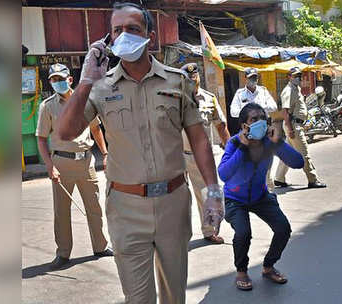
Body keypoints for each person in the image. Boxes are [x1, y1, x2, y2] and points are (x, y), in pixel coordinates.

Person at [56, 3, 224, 303]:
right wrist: (84, 82)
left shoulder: (177, 81)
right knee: (138, 298)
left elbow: (198, 138)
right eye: (117, 30)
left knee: (174, 294)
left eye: (133, 29)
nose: (124, 36)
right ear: (108, 39)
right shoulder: (99, 87)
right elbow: (65, 133)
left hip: (174, 203)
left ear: (150, 35)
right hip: (126, 208)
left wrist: (212, 190)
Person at [218, 103, 304, 291]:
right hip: (235, 199)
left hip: (260, 196)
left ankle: (268, 266)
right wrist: (243, 146)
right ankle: (241, 270)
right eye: (253, 120)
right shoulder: (234, 143)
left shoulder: (269, 142)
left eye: (262, 119)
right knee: (243, 233)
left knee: (283, 228)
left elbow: (298, 162)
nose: (260, 123)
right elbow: (223, 174)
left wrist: (278, 143)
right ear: (244, 126)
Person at [36, 63, 113, 270]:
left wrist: (105, 154)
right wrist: (50, 166)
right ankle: (63, 253)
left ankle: (100, 246)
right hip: (61, 163)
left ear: (70, 79)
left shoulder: (85, 102)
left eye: (61, 78)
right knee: (62, 212)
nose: (57, 83)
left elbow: (96, 129)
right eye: (53, 80)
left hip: (87, 162)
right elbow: (42, 139)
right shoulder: (47, 106)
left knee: (94, 207)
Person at [181, 62, 230, 244]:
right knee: (179, 198)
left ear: (199, 77)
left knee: (210, 195)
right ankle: (181, 234)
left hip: (202, 156)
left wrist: (231, 149)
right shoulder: (176, 99)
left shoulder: (209, 99)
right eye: (188, 78)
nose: (192, 80)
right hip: (179, 156)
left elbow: (220, 125)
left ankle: (210, 231)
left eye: (195, 77)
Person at [274, 67, 327, 189]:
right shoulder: (288, 91)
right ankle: (312, 179)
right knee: (304, 154)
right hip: (293, 125)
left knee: (288, 154)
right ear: (289, 77)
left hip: (296, 125)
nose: (298, 78)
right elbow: (285, 112)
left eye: (299, 76)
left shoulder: (296, 89)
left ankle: (279, 178)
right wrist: (290, 129)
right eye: (295, 76)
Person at [230, 67, 278, 188]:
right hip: (248, 132)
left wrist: (260, 109)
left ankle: (268, 189)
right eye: (251, 78)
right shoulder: (240, 94)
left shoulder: (263, 91)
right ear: (245, 78)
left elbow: (273, 106)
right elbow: (233, 112)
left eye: (255, 77)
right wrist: (248, 111)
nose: (254, 80)